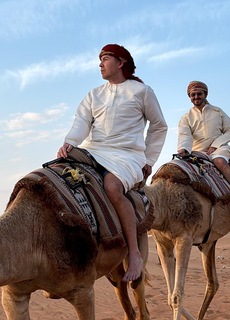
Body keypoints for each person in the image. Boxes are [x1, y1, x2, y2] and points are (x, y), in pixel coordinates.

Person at [57, 44, 168, 282]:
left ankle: (135, 254)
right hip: (94, 149)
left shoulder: (142, 91)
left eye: (105, 59)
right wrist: (69, 142)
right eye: (99, 59)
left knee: (112, 188)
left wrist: (148, 160)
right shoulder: (94, 94)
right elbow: (81, 122)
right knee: (59, 173)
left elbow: (159, 126)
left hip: (127, 155)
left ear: (120, 63)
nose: (100, 64)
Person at [177, 80, 230, 213]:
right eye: (192, 95)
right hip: (197, 151)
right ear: (189, 97)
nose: (196, 97)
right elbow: (184, 135)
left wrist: (215, 146)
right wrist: (183, 149)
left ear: (205, 94)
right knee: (177, 169)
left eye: (199, 94)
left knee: (219, 161)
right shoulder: (186, 118)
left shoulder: (217, 112)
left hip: (220, 148)